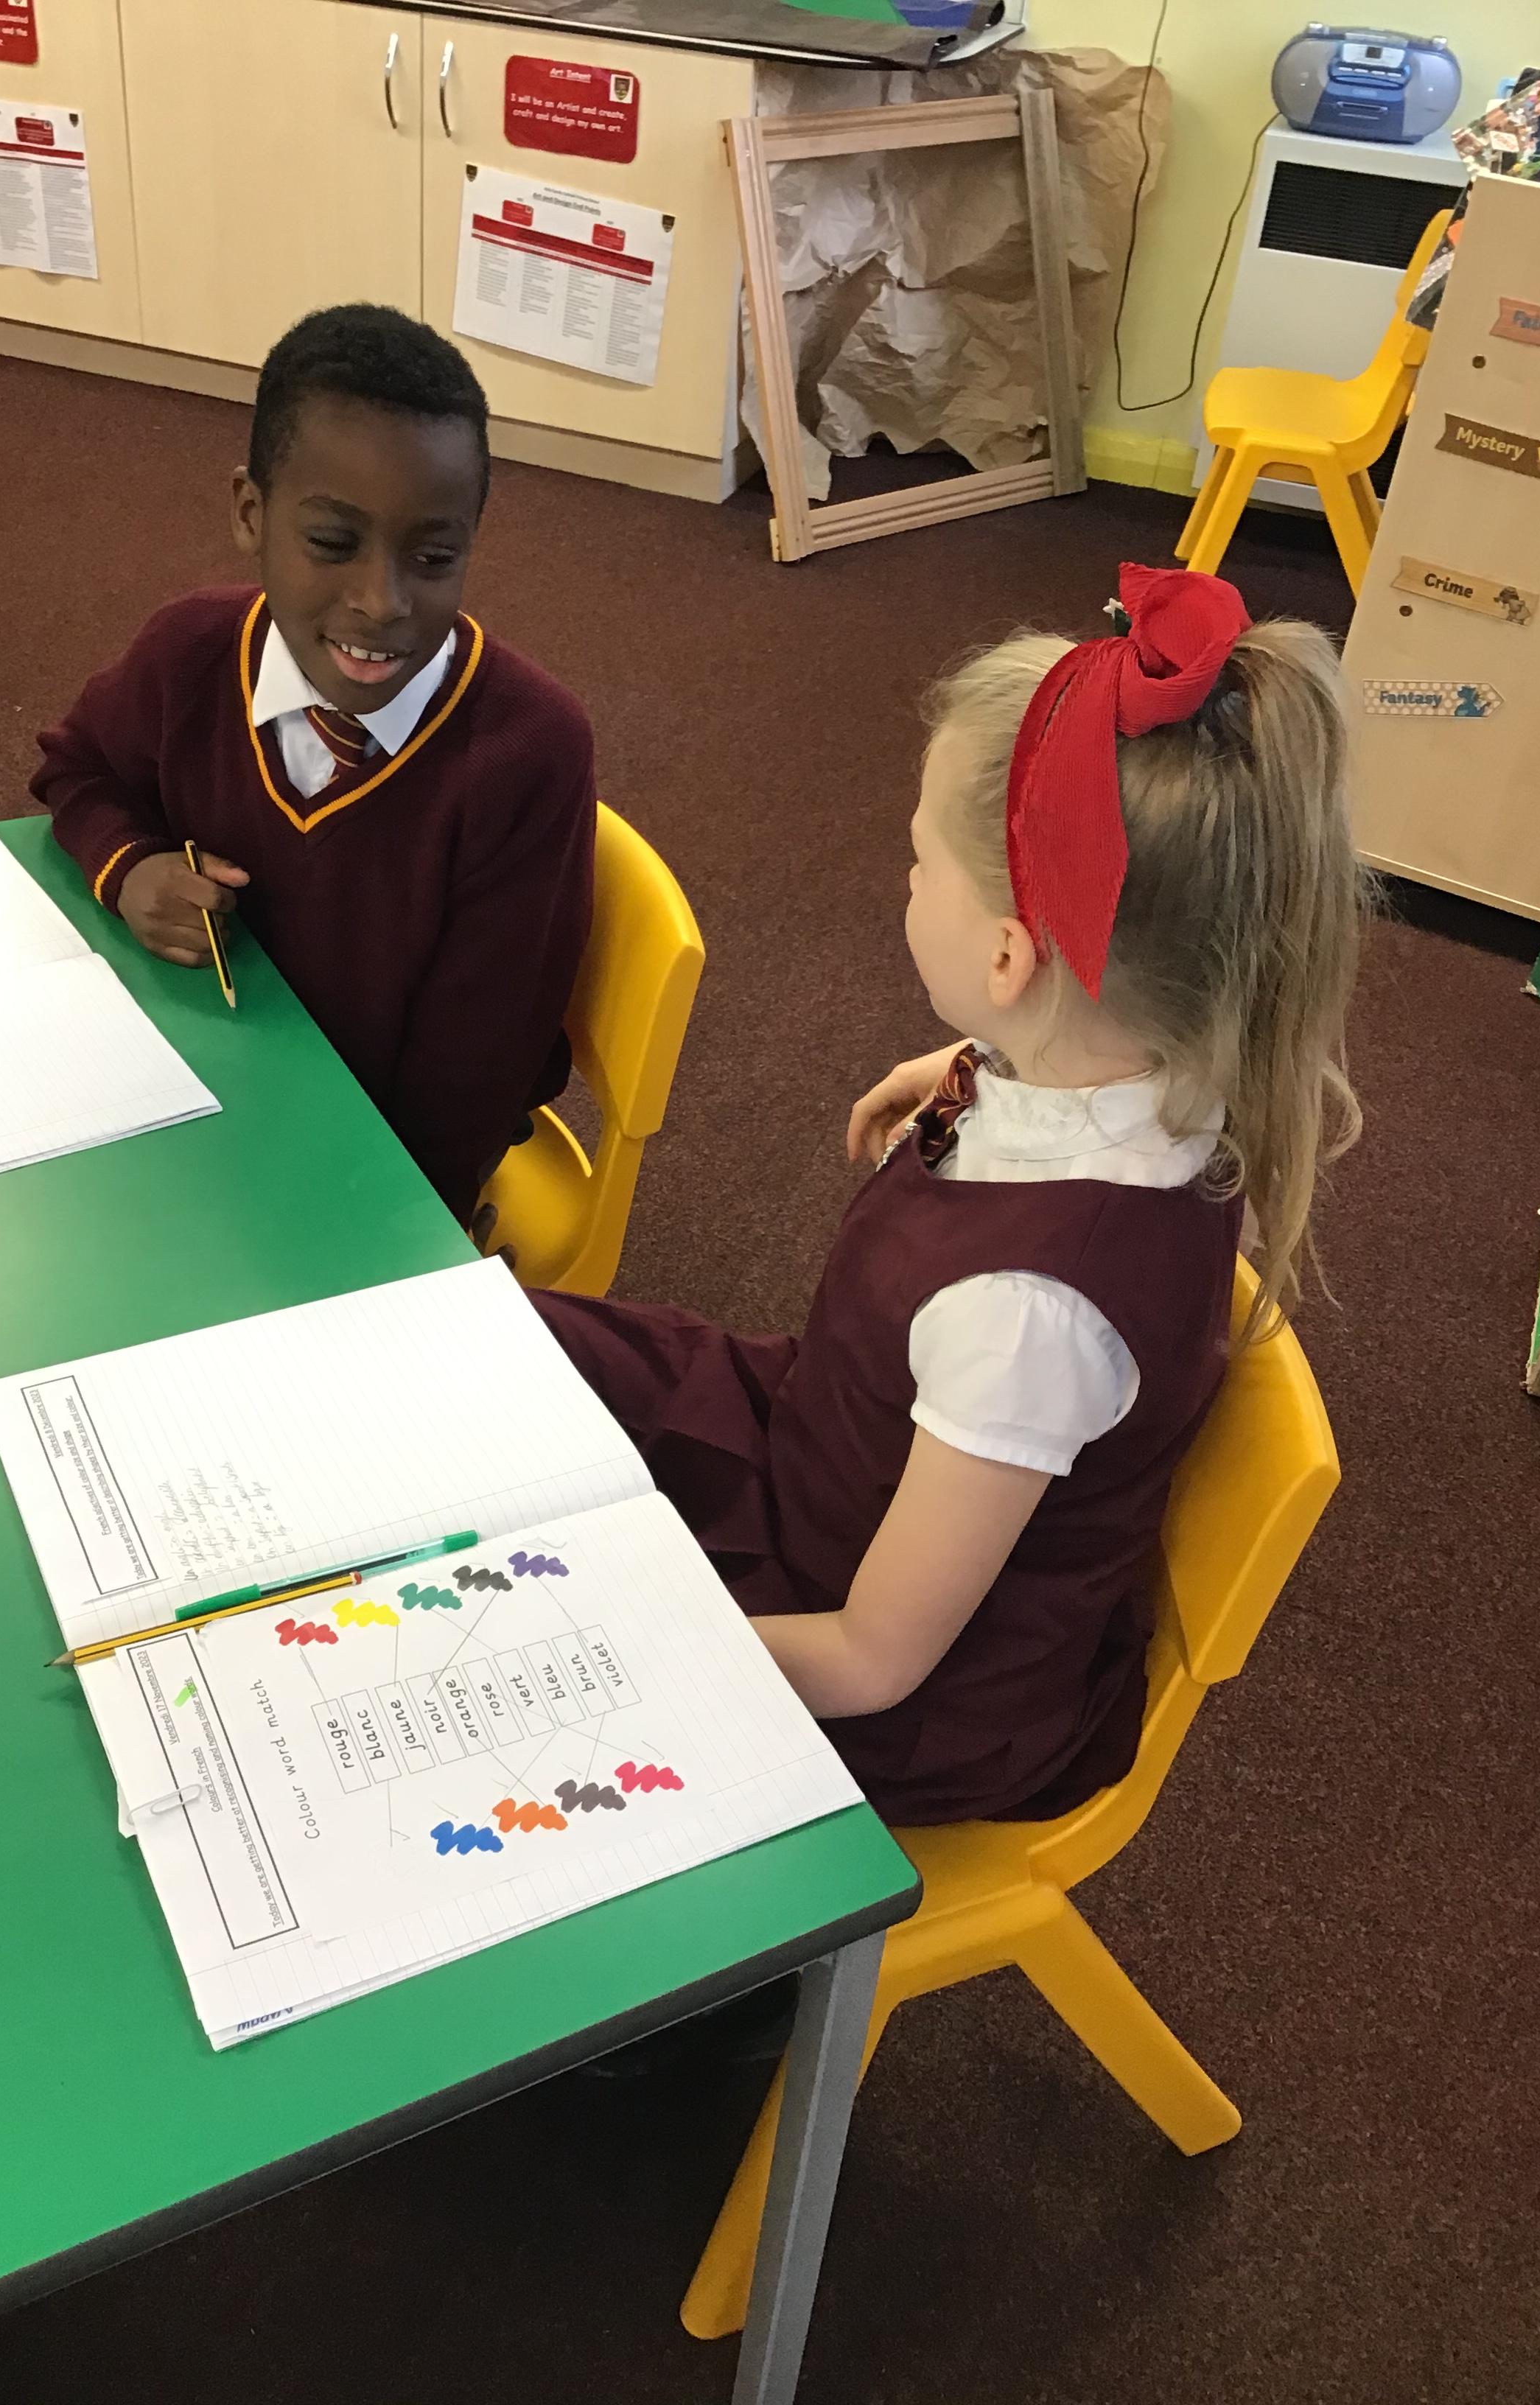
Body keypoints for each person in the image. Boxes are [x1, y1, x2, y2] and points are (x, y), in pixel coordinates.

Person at [537, 564, 1364, 1827]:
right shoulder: (1135, 1060)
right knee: (514, 1352)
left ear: (1011, 955)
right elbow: (1083, 1063)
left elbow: (869, 1661)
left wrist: (612, 1646)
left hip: (887, 1688)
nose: (903, 880)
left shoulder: (1027, 1315)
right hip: (820, 1451)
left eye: (918, 860)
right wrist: (978, 1058)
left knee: (522, 1669)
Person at [33, 305, 595, 1227]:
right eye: (333, 544)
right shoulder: (190, 652)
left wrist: (396, 1236)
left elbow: (471, 1081)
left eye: (435, 556)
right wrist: (130, 869)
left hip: (368, 1172)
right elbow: (78, 769)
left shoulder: (528, 754)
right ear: (251, 515)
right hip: (194, 1083)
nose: (382, 601)